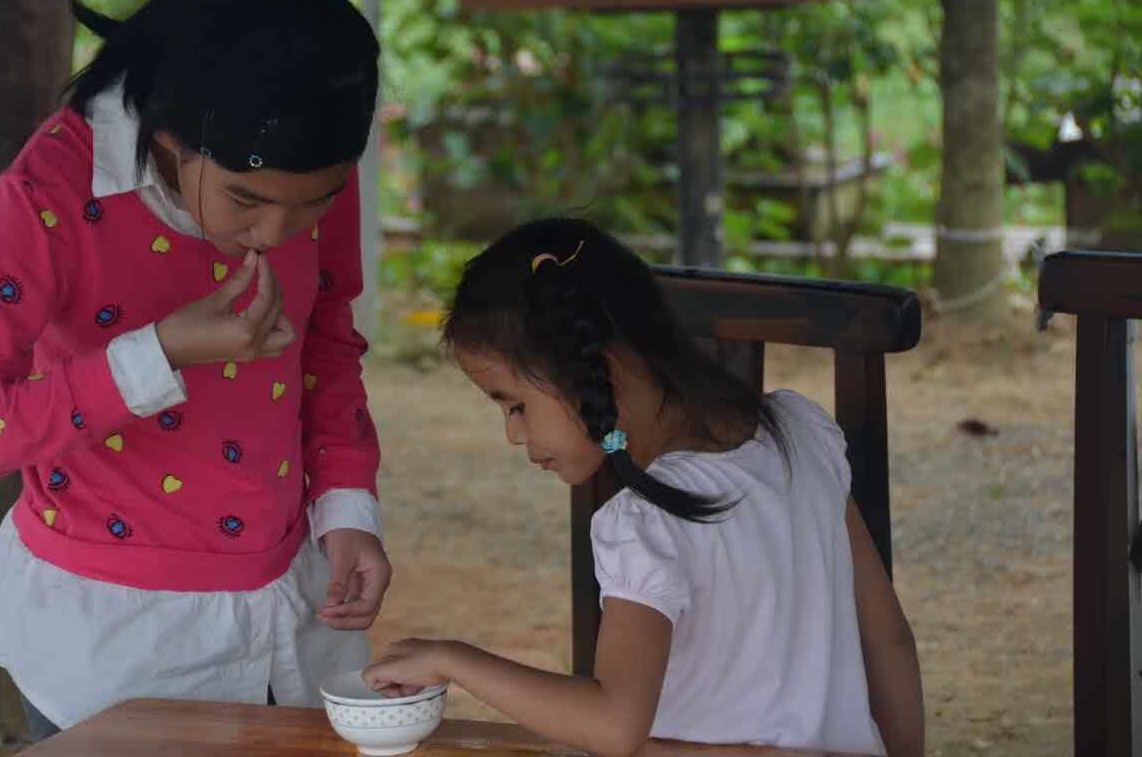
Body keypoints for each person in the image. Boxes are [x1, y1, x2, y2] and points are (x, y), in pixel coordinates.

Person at [0, 0, 391, 739]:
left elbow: (326, 336)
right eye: (246, 200)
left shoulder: (306, 149)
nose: (275, 234)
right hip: (111, 645)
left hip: (293, 622)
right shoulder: (49, 194)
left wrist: (348, 506)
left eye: (315, 204)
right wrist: (154, 357)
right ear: (168, 137)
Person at [362, 218, 924, 757]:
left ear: (598, 367)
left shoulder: (644, 522)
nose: (513, 433)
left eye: (516, 405)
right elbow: (888, 638)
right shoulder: (799, 431)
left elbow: (614, 726)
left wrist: (453, 660)